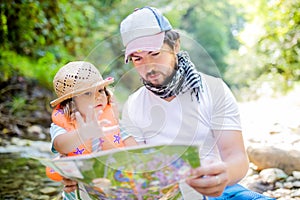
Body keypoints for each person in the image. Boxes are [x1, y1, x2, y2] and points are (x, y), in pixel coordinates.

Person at [119, 6, 275, 199]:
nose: (148, 67)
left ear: (175, 45)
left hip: (219, 190)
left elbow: (237, 158)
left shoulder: (214, 89)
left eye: (155, 53)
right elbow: (135, 168)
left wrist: (223, 174)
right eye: (137, 58)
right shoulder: (133, 105)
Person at [47, 61, 137, 199]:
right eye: (88, 93)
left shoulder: (112, 122)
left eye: (100, 90)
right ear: (70, 102)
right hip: (79, 193)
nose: (98, 96)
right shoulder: (63, 125)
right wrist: (82, 134)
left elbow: (135, 151)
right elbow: (60, 145)